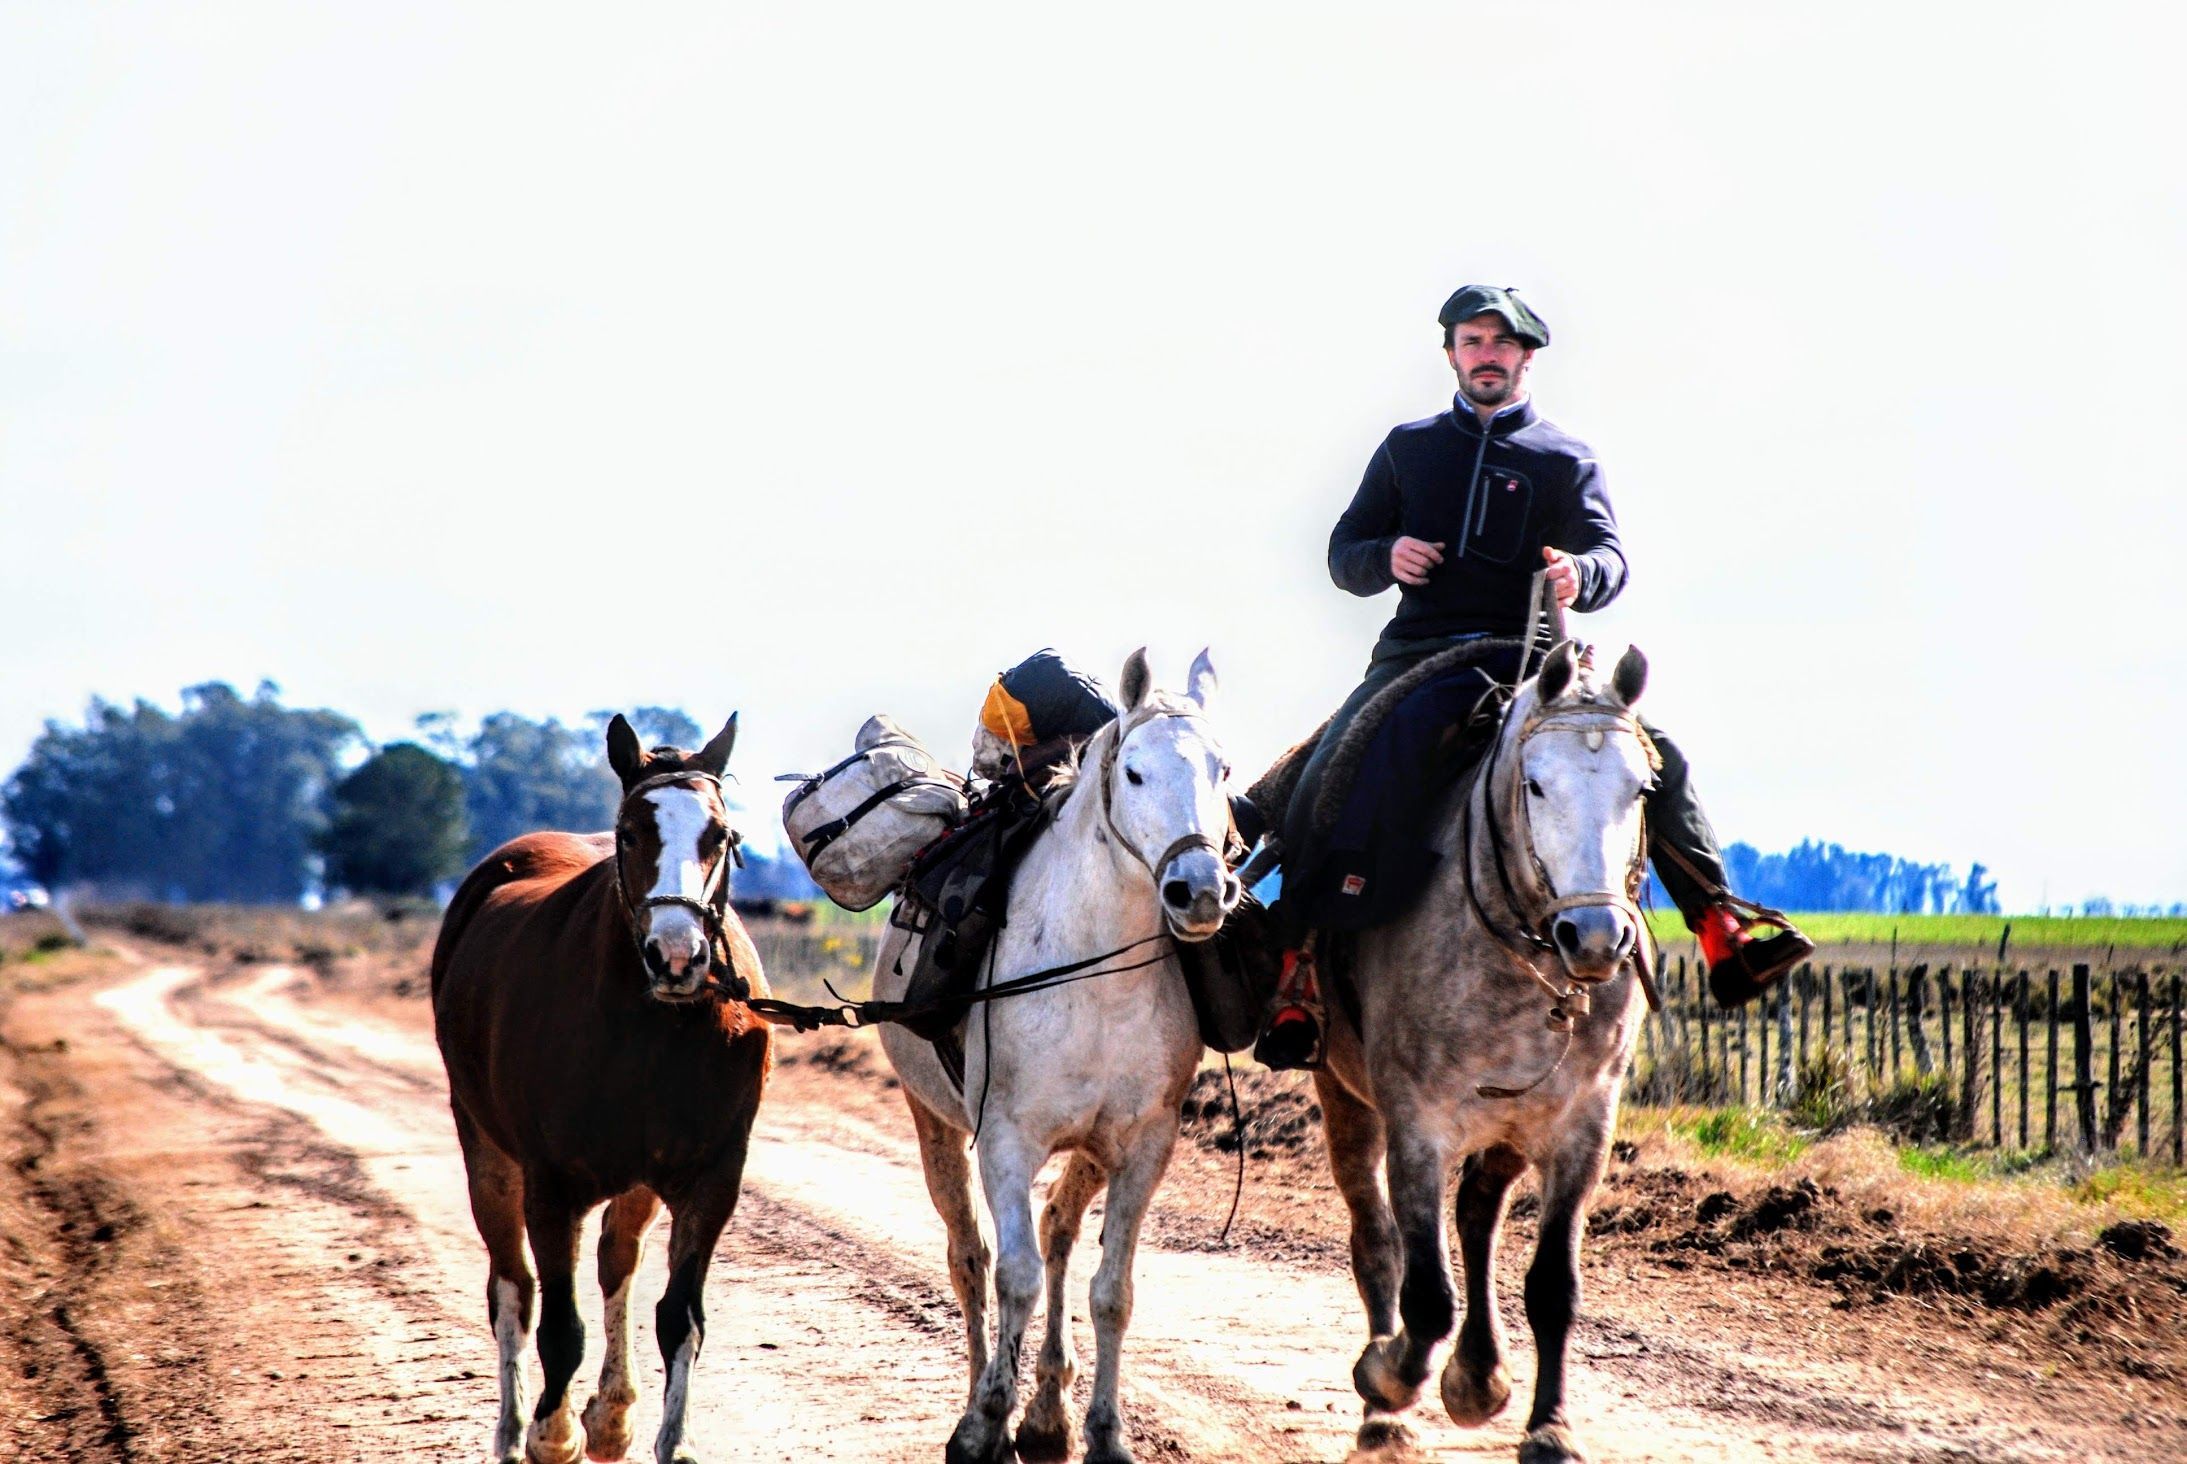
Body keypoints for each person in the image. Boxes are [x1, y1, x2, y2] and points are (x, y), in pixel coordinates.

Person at [1256, 285, 1809, 1068]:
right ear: (1450, 354)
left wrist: (1579, 574)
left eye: (1501, 343)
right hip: (1415, 657)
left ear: (1525, 358)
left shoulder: (1564, 458)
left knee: (1657, 753)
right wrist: (1385, 557)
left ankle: (1720, 927)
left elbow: (1609, 557)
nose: (1487, 354)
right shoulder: (1404, 449)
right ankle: (1298, 978)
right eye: (1472, 341)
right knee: (1327, 775)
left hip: (1533, 661)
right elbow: (1344, 553)